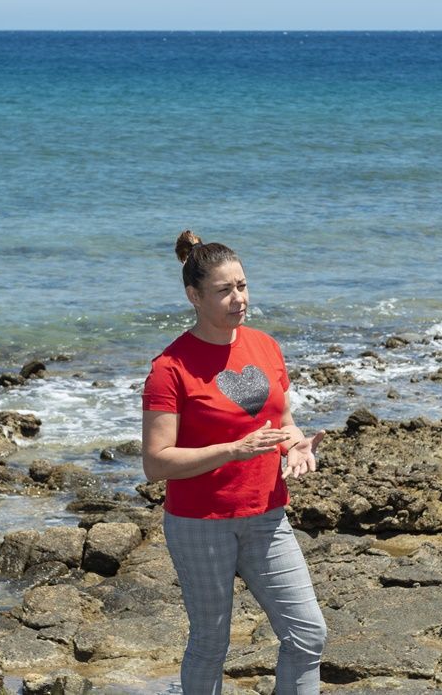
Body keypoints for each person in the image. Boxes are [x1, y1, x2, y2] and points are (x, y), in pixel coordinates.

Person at [141, 230, 328, 694]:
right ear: (194, 296)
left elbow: (282, 419)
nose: (238, 298)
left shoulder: (264, 346)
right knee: (210, 642)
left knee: (307, 634)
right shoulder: (170, 368)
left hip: (267, 514)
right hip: (200, 522)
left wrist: (296, 446)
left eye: (242, 286)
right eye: (224, 290)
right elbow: (156, 462)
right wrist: (232, 450)